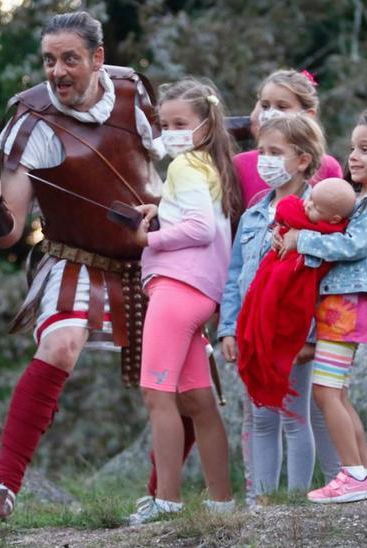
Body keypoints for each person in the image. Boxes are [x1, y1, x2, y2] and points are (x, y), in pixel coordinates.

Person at [0, 10, 161, 521]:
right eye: (49, 60)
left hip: (153, 254)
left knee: (182, 371)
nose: (57, 71)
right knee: (61, 342)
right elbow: (9, 232)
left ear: (97, 58)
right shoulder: (31, 122)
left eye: (69, 58)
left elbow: (172, 159)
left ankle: (165, 495)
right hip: (76, 257)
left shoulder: (135, 94)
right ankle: (3, 490)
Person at [276, 113, 367, 503]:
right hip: (338, 305)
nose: (354, 157)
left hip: (347, 306)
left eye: (365, 149)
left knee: (325, 392)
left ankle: (353, 475)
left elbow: (352, 246)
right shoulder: (365, 199)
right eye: (353, 148)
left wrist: (303, 241)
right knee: (337, 393)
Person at [125, 78, 240, 524]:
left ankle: (167, 499)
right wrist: (161, 212)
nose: (170, 130)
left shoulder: (185, 166)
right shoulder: (210, 166)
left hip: (177, 290)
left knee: (156, 394)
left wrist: (149, 237)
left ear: (206, 125)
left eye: (181, 123)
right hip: (201, 294)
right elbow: (200, 220)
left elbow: (198, 229)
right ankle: (220, 501)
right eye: (164, 123)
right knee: (199, 400)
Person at [218, 114, 343, 504]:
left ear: (303, 159)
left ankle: (294, 500)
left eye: (275, 153)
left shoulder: (316, 213)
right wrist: (227, 328)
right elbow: (236, 272)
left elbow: (322, 280)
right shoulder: (255, 210)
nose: (264, 160)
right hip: (252, 331)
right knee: (260, 416)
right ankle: (261, 500)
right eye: (261, 151)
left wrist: (309, 337)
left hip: (292, 333)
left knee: (293, 415)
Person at [235, 177, 355, 411]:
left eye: (316, 207)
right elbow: (288, 207)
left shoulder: (328, 238)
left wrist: (299, 238)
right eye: (310, 200)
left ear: (334, 219)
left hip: (293, 313)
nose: (308, 205)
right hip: (261, 297)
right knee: (260, 417)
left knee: (297, 412)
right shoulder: (287, 216)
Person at [233, 69, 342, 205]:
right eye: (265, 106)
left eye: (282, 107)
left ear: (308, 114)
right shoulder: (239, 164)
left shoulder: (328, 166)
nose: (270, 113)